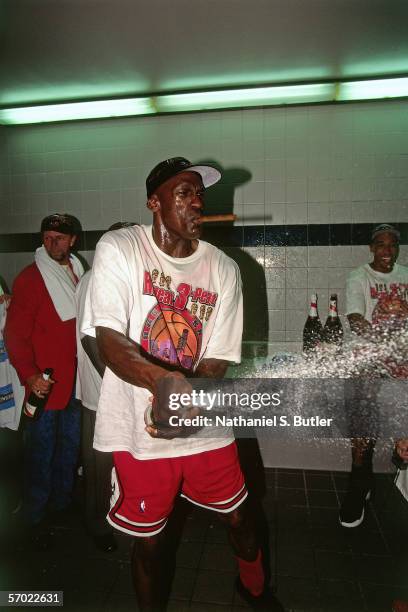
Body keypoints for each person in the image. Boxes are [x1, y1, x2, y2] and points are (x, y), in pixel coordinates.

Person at [82, 157, 283, 611]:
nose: (197, 202)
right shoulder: (121, 247)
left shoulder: (224, 268)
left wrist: (185, 398)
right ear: (154, 201)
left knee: (241, 517)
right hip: (139, 429)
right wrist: (162, 384)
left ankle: (253, 588)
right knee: (150, 545)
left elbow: (215, 358)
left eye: (201, 195)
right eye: (184, 193)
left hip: (203, 420)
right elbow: (108, 338)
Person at [4, 213, 84, 548]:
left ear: (73, 241)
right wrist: (30, 375)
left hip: (77, 382)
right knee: (40, 450)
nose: (53, 243)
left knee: (69, 447)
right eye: (47, 237)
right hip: (44, 384)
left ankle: (61, 504)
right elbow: (15, 335)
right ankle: (34, 515)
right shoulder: (31, 279)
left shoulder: (80, 273)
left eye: (60, 238)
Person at [340, 223, 408, 528]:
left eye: (392, 245)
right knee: (363, 428)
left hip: (401, 358)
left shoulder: (405, 276)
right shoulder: (359, 277)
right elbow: (356, 318)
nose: (387, 251)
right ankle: (359, 484)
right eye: (381, 245)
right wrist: (384, 343)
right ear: (371, 248)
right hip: (367, 358)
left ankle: (400, 463)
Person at [74, 222, 135, 553]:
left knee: (107, 463)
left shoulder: (107, 277)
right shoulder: (97, 278)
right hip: (101, 394)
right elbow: (89, 339)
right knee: (98, 465)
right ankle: (96, 525)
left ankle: (109, 517)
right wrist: (121, 382)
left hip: (106, 391)